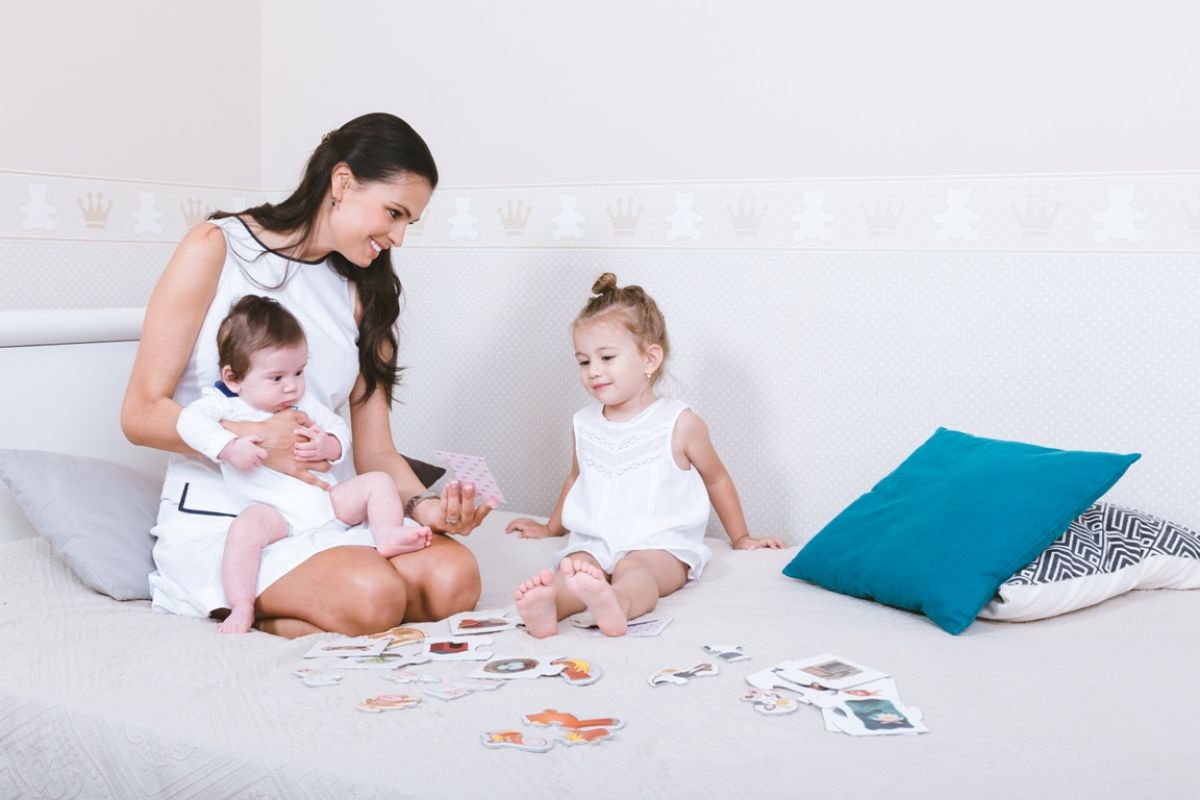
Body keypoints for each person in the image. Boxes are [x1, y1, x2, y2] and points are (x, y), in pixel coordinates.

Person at [122, 112, 493, 638]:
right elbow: (139, 414)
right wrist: (254, 438)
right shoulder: (215, 248)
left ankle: (321, 607)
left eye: (409, 222)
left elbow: (376, 453)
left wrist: (427, 507)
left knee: (455, 578)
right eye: (394, 213)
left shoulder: (363, 292)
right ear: (342, 183)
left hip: (320, 510)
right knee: (374, 595)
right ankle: (255, 612)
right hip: (234, 518)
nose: (399, 237)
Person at [507, 273, 784, 637]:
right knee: (574, 568)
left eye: (607, 357)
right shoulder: (584, 423)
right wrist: (550, 528)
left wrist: (741, 537)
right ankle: (550, 606)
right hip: (596, 539)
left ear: (650, 359)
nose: (593, 371)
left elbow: (716, 479)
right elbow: (576, 478)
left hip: (659, 544)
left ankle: (617, 602)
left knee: (638, 572)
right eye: (584, 361)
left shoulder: (679, 423)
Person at [177, 295, 434, 634]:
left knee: (377, 482)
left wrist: (328, 445)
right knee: (244, 532)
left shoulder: (302, 401)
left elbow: (338, 428)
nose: (292, 386)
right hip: (274, 512)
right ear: (234, 378)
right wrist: (229, 447)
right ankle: (242, 604)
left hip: (324, 502)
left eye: (299, 372)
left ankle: (387, 533)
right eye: (277, 378)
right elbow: (188, 423)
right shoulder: (223, 403)